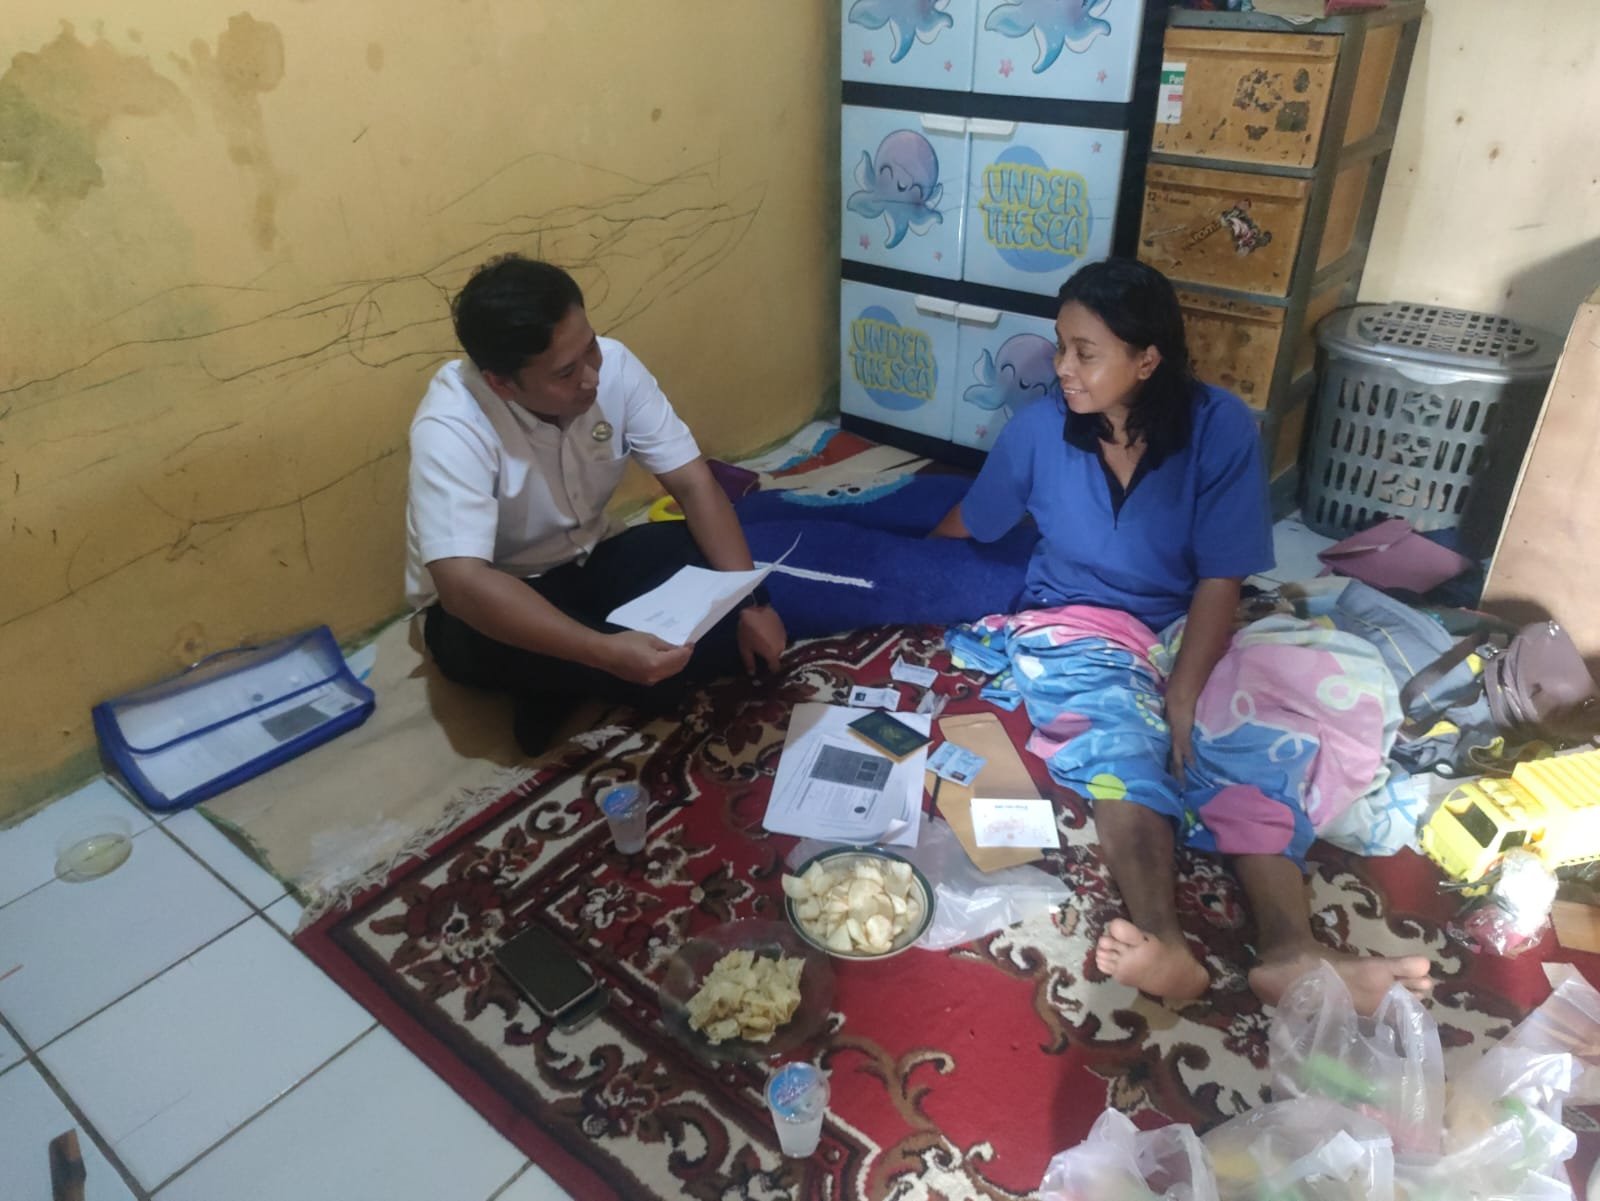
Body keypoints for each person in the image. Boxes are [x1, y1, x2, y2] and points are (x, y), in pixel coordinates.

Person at [932, 258, 1431, 1012]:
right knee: (1118, 742)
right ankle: (1162, 938)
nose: (1061, 367)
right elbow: (971, 522)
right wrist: (906, 565)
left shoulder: (1219, 427)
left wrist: (1186, 694)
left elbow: (1221, 575)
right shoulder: (1037, 430)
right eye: (1061, 346)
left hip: (1186, 617)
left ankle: (1291, 950)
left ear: (1147, 360)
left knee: (1247, 738)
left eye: (1084, 352)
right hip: (1079, 619)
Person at [405, 255, 787, 754]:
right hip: (495, 598)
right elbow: (463, 586)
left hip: (590, 559)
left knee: (705, 559)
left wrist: (749, 602)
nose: (590, 377)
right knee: (661, 678)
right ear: (501, 383)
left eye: (590, 348)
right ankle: (572, 669)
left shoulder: (616, 367)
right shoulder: (452, 425)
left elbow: (694, 484)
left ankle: (559, 677)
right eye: (566, 372)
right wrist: (603, 651)